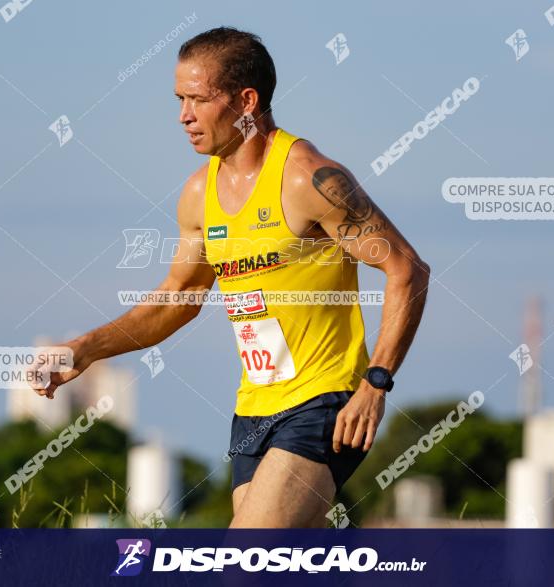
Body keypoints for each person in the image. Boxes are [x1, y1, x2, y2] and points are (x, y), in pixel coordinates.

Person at [29, 27, 429, 528]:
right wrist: (86, 349)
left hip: (325, 401)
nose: (183, 117)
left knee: (243, 564)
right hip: (253, 410)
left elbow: (407, 270)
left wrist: (376, 383)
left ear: (246, 101)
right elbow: (180, 298)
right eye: (179, 100)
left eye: (197, 99)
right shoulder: (199, 195)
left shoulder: (308, 179)